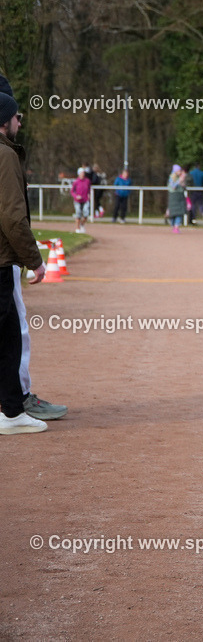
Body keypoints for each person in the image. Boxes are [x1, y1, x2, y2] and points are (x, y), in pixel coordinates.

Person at [0, 90, 49, 434]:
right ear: (4, 121)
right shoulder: (5, 157)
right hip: (1, 262)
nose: (20, 120)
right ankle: (13, 412)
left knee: (7, 338)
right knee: (8, 339)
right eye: (16, 115)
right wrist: (35, 260)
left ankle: (13, 412)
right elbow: (14, 218)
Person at [166, 164, 187, 233]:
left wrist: (183, 180)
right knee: (173, 213)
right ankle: (173, 225)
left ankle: (176, 226)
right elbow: (173, 186)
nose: (180, 171)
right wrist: (179, 181)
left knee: (179, 213)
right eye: (179, 170)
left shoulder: (180, 177)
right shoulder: (172, 177)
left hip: (180, 196)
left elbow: (184, 187)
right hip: (173, 196)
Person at [71, 167, 91, 234]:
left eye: (83, 173)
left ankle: (82, 224)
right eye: (81, 173)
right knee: (78, 213)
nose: (82, 174)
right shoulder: (76, 182)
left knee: (86, 214)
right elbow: (72, 191)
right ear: (78, 174)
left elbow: (89, 189)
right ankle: (77, 228)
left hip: (85, 200)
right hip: (77, 201)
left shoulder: (87, 181)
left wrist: (89, 195)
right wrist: (76, 196)